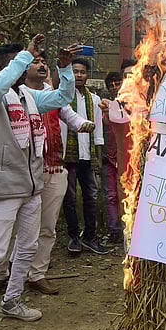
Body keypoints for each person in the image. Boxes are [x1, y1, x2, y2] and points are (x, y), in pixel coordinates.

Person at [0, 36, 77, 330]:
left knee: (27, 247)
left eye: (27, 60)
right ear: (2, 67)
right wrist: (22, 57)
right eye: (20, 61)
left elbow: (60, 98)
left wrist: (65, 70)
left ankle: (12, 301)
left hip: (32, 185)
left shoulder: (28, 96)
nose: (27, 65)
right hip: (4, 186)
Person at [0, 53, 94, 298]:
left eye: (44, 62)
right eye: (36, 62)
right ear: (22, 69)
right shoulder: (15, 95)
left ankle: (36, 274)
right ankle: (1, 274)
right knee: (13, 228)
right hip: (25, 173)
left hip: (55, 167)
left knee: (47, 228)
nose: (42, 65)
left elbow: (67, 109)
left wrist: (81, 123)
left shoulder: (48, 94)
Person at [61, 57, 108, 254]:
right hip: (67, 156)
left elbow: (97, 133)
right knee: (69, 197)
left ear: (87, 75)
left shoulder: (94, 100)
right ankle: (73, 237)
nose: (78, 75)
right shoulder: (61, 97)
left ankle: (90, 236)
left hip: (87, 156)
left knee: (91, 196)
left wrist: (97, 157)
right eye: (75, 72)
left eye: (82, 72)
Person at [102, 62, 134, 246]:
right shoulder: (116, 106)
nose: (130, 78)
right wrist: (109, 109)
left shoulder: (154, 100)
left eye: (134, 73)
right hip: (124, 165)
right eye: (126, 75)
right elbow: (109, 123)